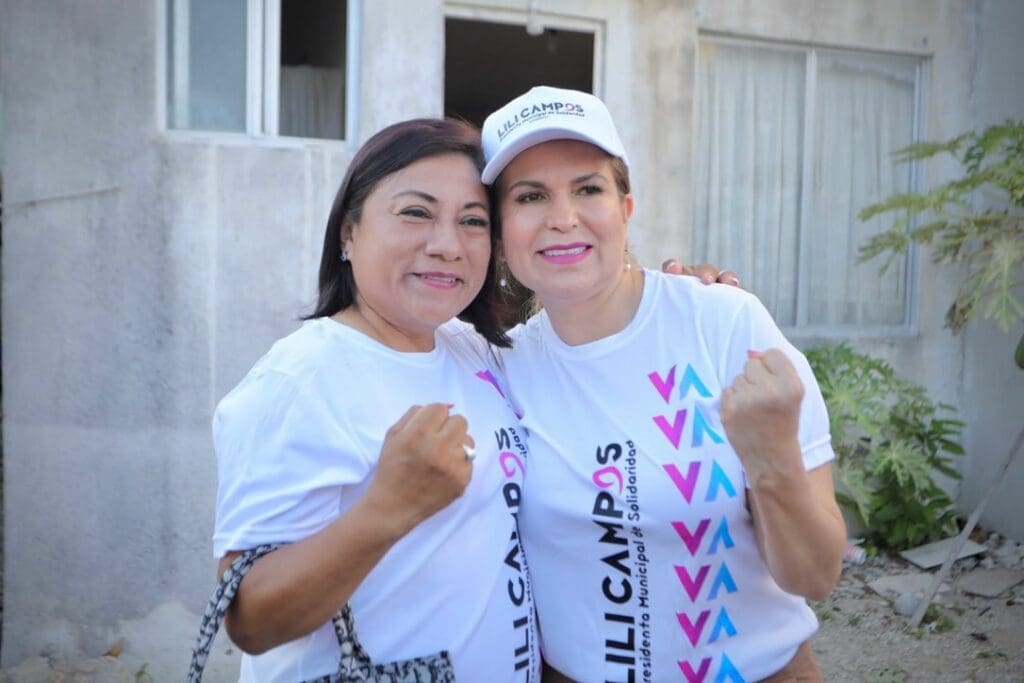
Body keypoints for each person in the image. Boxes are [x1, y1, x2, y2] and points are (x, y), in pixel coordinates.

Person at [481, 86, 847, 682]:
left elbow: (815, 576)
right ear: (499, 232)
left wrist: (771, 460)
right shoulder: (499, 368)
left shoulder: (723, 323)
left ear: (625, 209)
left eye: (588, 189)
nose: (563, 218)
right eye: (530, 196)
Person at [205, 118, 539, 682]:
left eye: (473, 221)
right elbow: (249, 620)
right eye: (416, 212)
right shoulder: (300, 380)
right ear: (348, 233)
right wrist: (388, 508)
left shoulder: (470, 349)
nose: (447, 245)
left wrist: (680, 302)